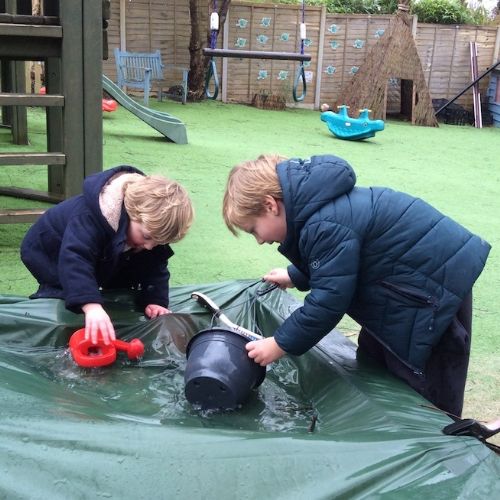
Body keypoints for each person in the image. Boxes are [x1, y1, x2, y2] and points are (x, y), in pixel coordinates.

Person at [222, 154, 490, 416]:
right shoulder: (317, 212)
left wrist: (279, 343)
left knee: (424, 384)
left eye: (253, 229)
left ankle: (437, 438)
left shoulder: (323, 223)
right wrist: (296, 275)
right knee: (375, 362)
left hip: (433, 295)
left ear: (270, 205)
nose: (259, 240)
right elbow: (337, 261)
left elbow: (328, 302)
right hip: (402, 289)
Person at [21, 165, 194, 346]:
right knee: (68, 289)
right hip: (49, 250)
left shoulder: (148, 229)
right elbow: (75, 259)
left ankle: (99, 292)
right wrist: (91, 306)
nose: (150, 246)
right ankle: (52, 307)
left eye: (158, 242)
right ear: (133, 212)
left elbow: (155, 265)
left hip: (104, 247)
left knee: (129, 269)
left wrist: (155, 301)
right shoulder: (92, 216)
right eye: (147, 237)